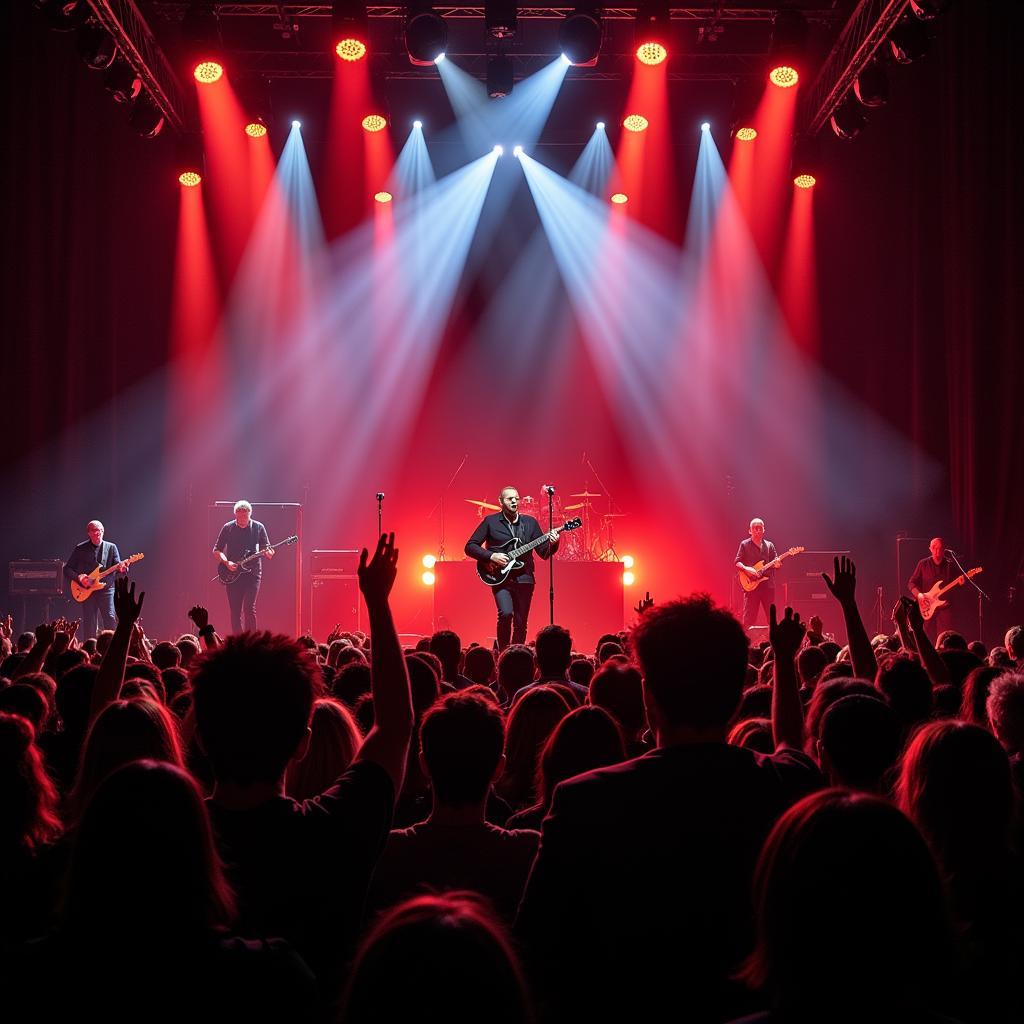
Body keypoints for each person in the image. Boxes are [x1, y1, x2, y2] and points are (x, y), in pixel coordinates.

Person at [465, 487, 559, 650]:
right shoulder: (490, 522)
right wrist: (491, 556)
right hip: (500, 577)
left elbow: (544, 553)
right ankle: (502, 654)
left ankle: (516, 654)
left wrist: (554, 542)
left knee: (521, 623)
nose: (514, 501)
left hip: (525, 578)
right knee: (506, 614)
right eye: (510, 499)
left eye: (516, 498)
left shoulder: (530, 523)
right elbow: (470, 546)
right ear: (501, 502)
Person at [213, 500, 275, 634]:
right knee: (235, 611)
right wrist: (227, 563)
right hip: (233, 574)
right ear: (235, 515)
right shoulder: (228, 528)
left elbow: (267, 549)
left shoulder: (258, 528)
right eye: (239, 517)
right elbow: (217, 550)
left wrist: (269, 553)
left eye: (245, 517)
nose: (242, 520)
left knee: (249, 608)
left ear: (250, 514)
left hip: (252, 574)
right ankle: (238, 640)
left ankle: (251, 640)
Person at [63, 520, 129, 637]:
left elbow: (119, 568)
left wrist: (123, 569)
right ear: (88, 533)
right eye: (95, 530)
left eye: (100, 530)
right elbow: (67, 569)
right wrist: (79, 578)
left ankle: (111, 646)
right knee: (89, 621)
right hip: (87, 590)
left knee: (110, 617)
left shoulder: (111, 547)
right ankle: (90, 649)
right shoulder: (80, 548)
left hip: (106, 589)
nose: (98, 532)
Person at [735, 518, 781, 630]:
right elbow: (737, 562)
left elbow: (776, 561)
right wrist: (747, 569)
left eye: (760, 528)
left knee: (772, 618)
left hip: (767, 586)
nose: (757, 530)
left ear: (764, 529)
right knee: (748, 619)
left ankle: (774, 645)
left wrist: (777, 564)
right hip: (751, 587)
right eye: (755, 528)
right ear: (750, 531)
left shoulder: (770, 545)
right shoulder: (744, 544)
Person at [907, 537, 956, 642]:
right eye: (934, 548)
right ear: (930, 549)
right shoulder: (923, 564)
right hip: (927, 606)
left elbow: (958, 586)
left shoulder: (950, 565)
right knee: (925, 637)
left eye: (940, 548)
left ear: (944, 549)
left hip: (944, 607)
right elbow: (911, 583)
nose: (937, 551)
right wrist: (919, 595)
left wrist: (962, 582)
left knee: (945, 639)